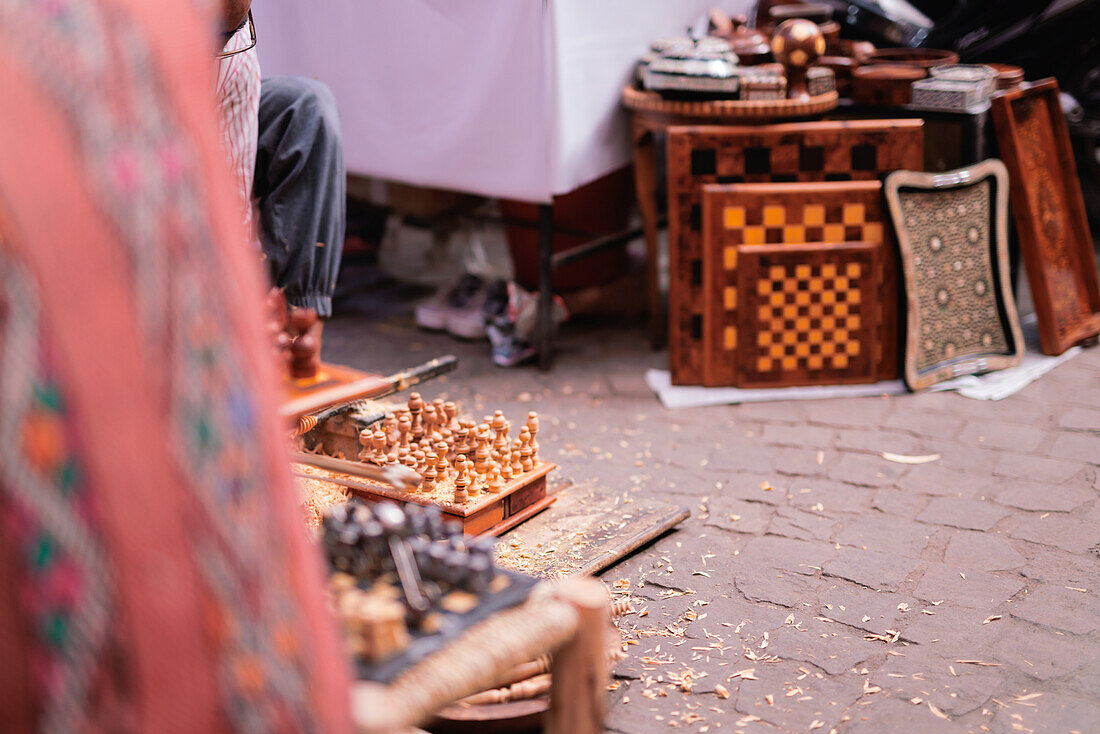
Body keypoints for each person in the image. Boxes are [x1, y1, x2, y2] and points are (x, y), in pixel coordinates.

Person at [0, 1, 352, 731]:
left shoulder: (224, 50)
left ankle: (302, 309)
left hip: (190, 157)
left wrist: (264, 292)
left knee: (309, 109)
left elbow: (219, 175)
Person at [216, 1, 347, 323]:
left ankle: (300, 318)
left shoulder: (236, 49)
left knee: (306, 109)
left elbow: (235, 198)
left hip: (209, 134)